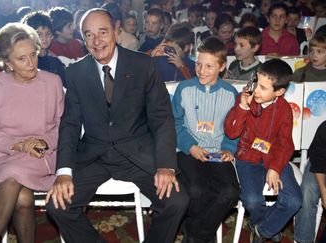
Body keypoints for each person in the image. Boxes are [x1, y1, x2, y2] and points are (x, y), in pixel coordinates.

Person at [45, 8, 189, 243]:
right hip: (94, 156)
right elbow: (70, 124)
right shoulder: (75, 72)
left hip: (137, 153)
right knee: (56, 205)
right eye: (88, 35)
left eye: (102, 32)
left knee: (177, 201)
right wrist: (64, 172)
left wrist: (165, 165)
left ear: (116, 31)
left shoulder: (143, 65)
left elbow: (162, 118)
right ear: (82, 39)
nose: (96, 41)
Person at [0, 23, 64, 243]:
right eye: (21, 58)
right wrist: (18, 145)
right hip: (4, 153)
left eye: (33, 55)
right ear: (7, 62)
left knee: (13, 173)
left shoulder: (52, 82)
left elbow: (62, 124)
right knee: (23, 199)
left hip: (41, 153)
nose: (31, 63)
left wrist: (42, 143)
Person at [224, 59, 302, 242]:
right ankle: (266, 226)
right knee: (252, 200)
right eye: (256, 82)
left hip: (274, 157)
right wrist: (242, 107)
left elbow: (285, 143)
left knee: (293, 201)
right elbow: (231, 131)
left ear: (279, 92)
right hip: (247, 157)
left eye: (264, 88)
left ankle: (262, 230)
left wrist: (275, 168)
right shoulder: (246, 98)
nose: (256, 90)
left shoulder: (283, 109)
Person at [172, 37, 240, 243]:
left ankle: (194, 234)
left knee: (230, 192)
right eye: (198, 64)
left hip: (218, 152)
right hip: (189, 150)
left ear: (222, 67)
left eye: (209, 66)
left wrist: (229, 147)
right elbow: (175, 124)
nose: (201, 70)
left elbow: (234, 128)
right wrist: (189, 146)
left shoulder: (230, 94)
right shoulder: (184, 89)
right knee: (196, 190)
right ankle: (202, 236)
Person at [293, 33, 326, 243]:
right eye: (312, 50)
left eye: (320, 51)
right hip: (314, 142)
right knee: (307, 191)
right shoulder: (301, 74)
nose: (314, 55)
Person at [22, 10, 67, 86]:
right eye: (39, 34)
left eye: (48, 34)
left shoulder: (55, 62)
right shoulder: (24, 63)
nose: (44, 38)